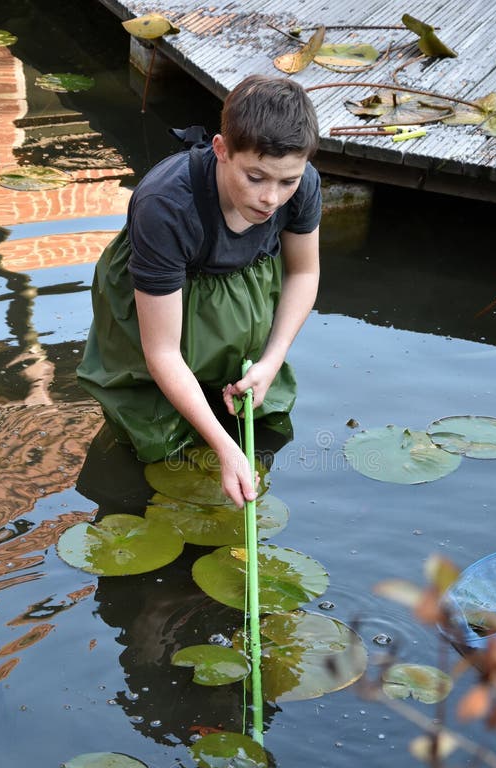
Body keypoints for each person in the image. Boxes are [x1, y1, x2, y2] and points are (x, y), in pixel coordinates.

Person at [77, 74, 321, 508]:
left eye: (287, 181)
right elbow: (162, 352)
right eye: (256, 177)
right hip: (163, 298)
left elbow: (303, 272)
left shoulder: (299, 186)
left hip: (239, 285)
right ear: (221, 150)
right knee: (149, 433)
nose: (270, 199)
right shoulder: (166, 206)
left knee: (249, 407)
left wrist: (272, 359)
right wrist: (225, 450)